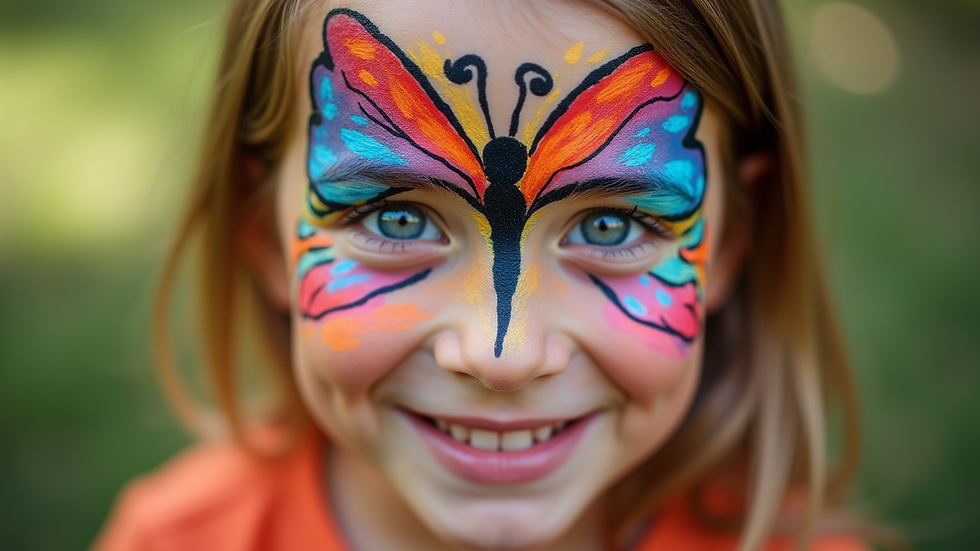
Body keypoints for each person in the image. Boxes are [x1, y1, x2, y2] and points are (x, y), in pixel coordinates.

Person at [93, 0, 869, 549]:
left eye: (613, 225)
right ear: (264, 236)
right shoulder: (172, 539)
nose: (503, 356)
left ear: (733, 244)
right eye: (396, 219)